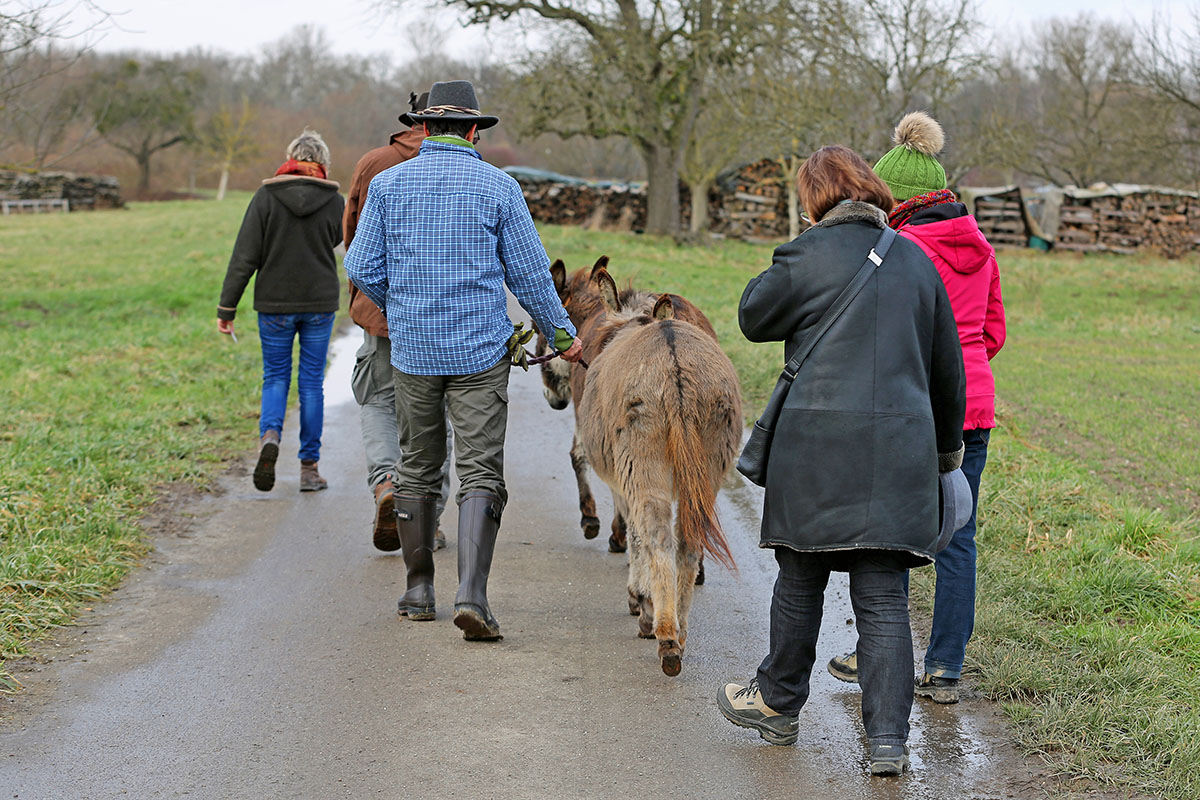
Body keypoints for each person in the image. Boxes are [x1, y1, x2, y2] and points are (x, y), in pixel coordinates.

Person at [716, 145, 966, 776]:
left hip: (814, 450)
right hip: (900, 454)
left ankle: (777, 702)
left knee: (800, 581)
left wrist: (794, 249)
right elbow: (947, 369)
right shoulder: (916, 261)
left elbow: (751, 316)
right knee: (884, 598)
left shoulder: (803, 256)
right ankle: (887, 740)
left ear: (814, 199)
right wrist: (945, 457)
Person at [344, 80, 583, 641]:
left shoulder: (389, 186)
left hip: (413, 351)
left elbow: (360, 266)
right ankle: (472, 595)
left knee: (417, 464)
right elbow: (529, 275)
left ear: (423, 127)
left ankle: (418, 589)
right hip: (479, 353)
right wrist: (564, 335)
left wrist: (401, 309)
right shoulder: (499, 187)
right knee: (480, 469)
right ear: (475, 131)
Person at [827, 112, 1007, 704]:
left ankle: (877, 654)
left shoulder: (894, 248)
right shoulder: (980, 246)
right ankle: (946, 668)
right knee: (959, 535)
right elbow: (994, 333)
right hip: (973, 407)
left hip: (908, 404)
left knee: (887, 531)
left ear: (894, 199)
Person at [344, 91, 454, 552]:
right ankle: (427, 517)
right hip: (446, 316)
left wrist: (378, 300)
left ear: (412, 120)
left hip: (383, 314)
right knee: (436, 411)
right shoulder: (470, 169)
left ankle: (388, 480)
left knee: (377, 399)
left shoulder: (374, 163)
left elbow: (352, 239)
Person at [218, 129, 345, 493]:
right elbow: (340, 242)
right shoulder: (335, 201)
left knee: (275, 377)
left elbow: (245, 256)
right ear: (321, 163)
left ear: (290, 158)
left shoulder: (265, 198)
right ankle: (309, 468)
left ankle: (270, 436)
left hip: (273, 304)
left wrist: (227, 307)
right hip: (319, 304)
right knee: (311, 384)